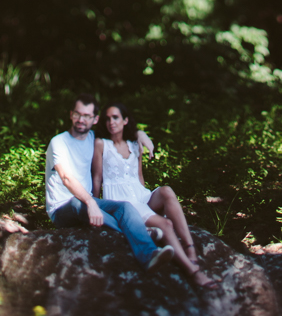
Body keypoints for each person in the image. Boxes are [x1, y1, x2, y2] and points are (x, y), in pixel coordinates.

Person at [44, 93, 173, 271]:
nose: (81, 120)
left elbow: (121, 131)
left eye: (87, 116)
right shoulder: (58, 142)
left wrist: (140, 133)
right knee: (77, 203)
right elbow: (66, 178)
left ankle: (149, 254)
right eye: (77, 114)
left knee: (125, 207)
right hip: (63, 208)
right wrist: (90, 202)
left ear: (95, 119)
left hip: (87, 202)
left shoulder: (94, 139)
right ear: (71, 114)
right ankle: (141, 233)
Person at [93, 102, 214, 288]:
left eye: (115, 117)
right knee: (165, 224)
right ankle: (193, 272)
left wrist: (148, 204)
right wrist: (94, 205)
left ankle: (191, 250)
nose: (111, 122)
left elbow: (139, 176)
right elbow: (98, 177)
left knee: (166, 191)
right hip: (123, 201)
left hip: (140, 195)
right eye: (107, 118)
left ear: (125, 120)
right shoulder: (102, 144)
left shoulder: (135, 145)